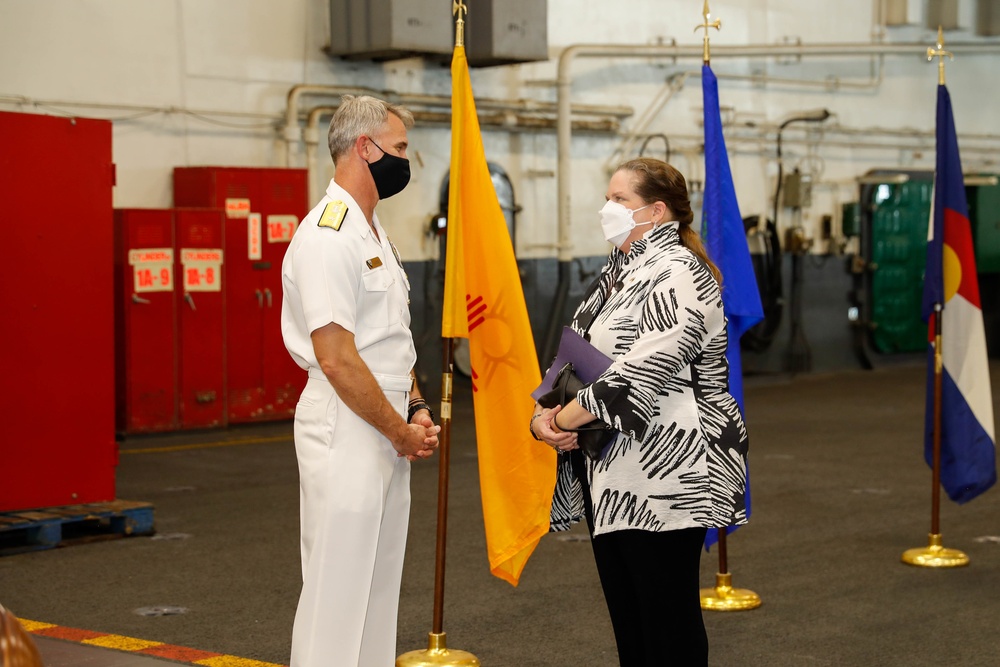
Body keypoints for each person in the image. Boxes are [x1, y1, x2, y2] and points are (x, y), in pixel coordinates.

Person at [530, 157, 749, 667]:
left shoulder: (680, 272)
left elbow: (645, 369)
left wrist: (563, 422)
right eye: (608, 198)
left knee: (666, 624)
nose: (608, 209)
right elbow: (574, 355)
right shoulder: (620, 270)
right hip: (611, 472)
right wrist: (544, 414)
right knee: (631, 624)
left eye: (619, 200)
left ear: (655, 210)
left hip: (669, 472)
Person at [280, 94, 440, 667]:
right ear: (364, 148)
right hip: (349, 422)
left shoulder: (373, 233)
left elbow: (390, 340)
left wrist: (415, 405)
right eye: (399, 148)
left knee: (377, 582)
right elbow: (338, 357)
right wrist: (398, 430)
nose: (406, 160)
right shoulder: (328, 234)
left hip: (384, 418)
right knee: (337, 584)